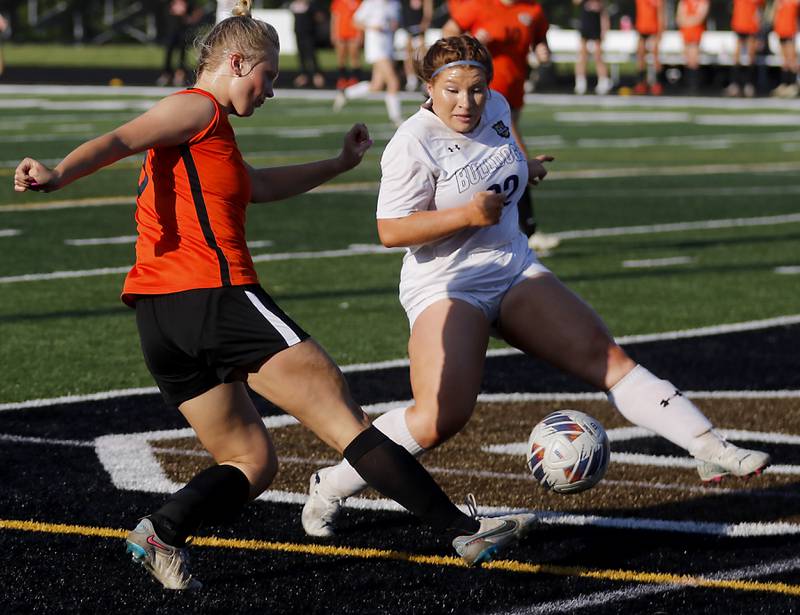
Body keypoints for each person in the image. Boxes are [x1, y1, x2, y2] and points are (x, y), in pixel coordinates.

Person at [13, 5, 536, 589]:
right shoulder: (197, 107)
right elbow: (120, 138)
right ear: (236, 62)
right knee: (347, 422)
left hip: (162, 323)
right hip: (216, 298)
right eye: (270, 75)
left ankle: (162, 531)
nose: (272, 91)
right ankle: (462, 531)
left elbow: (257, 186)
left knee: (252, 462)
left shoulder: (210, 135)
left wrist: (338, 164)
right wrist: (58, 172)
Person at [301, 34, 771, 539]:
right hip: (447, 283)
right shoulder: (412, 142)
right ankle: (330, 485)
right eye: (453, 90)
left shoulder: (498, 107)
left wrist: (528, 169)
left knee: (605, 357)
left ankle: (707, 445)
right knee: (439, 416)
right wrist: (465, 214)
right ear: (429, 87)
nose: (467, 102)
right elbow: (391, 230)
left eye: (477, 89)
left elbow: (501, 159)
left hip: (512, 266)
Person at [442, 0, 560, 255]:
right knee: (514, 155)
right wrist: (473, 40)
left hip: (514, 96)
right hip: (483, 98)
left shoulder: (533, 10)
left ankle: (489, 225)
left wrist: (542, 52)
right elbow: (448, 33)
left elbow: (540, 39)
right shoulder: (479, 5)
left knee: (494, 162)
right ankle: (528, 230)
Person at [333, 0, 404, 128]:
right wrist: (372, 27)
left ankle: (346, 93)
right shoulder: (370, 3)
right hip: (376, 48)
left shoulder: (395, 4)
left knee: (376, 86)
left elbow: (395, 23)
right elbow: (355, 22)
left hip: (388, 48)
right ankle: (396, 118)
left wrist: (394, 26)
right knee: (393, 82)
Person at [157, 0, 204, 87]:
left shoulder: (189, 2)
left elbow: (198, 11)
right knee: (168, 52)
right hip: (171, 30)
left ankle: (180, 75)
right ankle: (167, 74)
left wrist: (191, 19)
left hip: (183, 31)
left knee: (182, 54)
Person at [573, 0, 613, 95]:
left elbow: (604, 12)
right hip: (585, 24)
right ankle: (580, 82)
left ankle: (603, 81)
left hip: (596, 26)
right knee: (582, 56)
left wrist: (605, 29)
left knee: (598, 56)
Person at [726, 0, 765, 97]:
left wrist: (758, 24)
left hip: (751, 25)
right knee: (737, 56)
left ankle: (749, 84)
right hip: (739, 23)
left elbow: (760, 9)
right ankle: (735, 84)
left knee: (750, 56)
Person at [289, 0, 326, 88]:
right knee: (301, 55)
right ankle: (303, 75)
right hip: (298, 33)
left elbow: (320, 17)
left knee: (311, 55)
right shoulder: (295, 5)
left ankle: (317, 76)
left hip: (309, 34)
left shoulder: (311, 5)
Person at [399, 0, 434, 91]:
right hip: (408, 31)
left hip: (420, 31)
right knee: (408, 55)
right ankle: (411, 80)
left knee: (422, 55)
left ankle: (424, 80)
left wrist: (423, 26)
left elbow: (428, 14)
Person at [676, 0, 709, 95]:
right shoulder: (684, 2)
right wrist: (687, 21)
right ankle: (688, 84)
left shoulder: (702, 2)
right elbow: (679, 17)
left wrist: (687, 21)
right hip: (686, 32)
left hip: (696, 32)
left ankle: (694, 85)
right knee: (687, 59)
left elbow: (700, 17)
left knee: (694, 59)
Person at [633, 0, 666, 95]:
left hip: (654, 30)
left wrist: (660, 32)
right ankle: (641, 82)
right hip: (642, 29)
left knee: (655, 55)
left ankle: (657, 82)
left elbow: (661, 14)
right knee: (640, 55)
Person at [331, 0, 364, 90]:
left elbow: (361, 18)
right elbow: (334, 17)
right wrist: (333, 33)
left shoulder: (357, 2)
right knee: (341, 56)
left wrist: (360, 34)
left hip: (353, 31)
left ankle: (354, 78)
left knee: (354, 55)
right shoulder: (338, 2)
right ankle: (342, 79)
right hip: (341, 31)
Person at [771, 0, 799, 97]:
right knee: (784, 61)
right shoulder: (779, 2)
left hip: (790, 30)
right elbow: (774, 14)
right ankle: (785, 84)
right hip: (781, 30)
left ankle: (793, 84)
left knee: (792, 59)